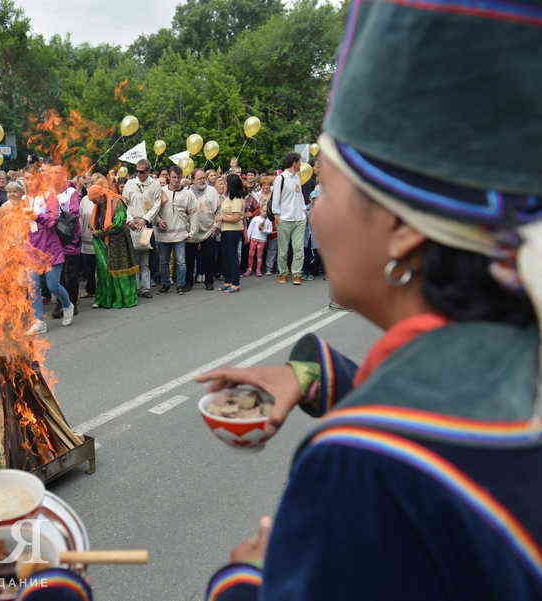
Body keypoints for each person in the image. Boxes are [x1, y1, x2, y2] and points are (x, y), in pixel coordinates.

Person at [196, 2, 542, 597]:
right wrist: (308, 374)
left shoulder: (364, 460)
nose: (316, 214)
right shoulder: (514, 347)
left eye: (325, 190)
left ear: (403, 228)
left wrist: (250, 574)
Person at [26, 192, 75, 335]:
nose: (29, 183)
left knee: (53, 286)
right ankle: (39, 321)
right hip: (32, 252)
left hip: (50, 249)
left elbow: (53, 220)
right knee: (33, 287)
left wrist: (37, 216)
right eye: (26, 180)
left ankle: (67, 305)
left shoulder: (49, 197)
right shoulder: (24, 200)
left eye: (30, 178)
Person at [89, 183, 139, 309]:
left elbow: (118, 224)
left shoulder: (117, 202)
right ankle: (108, 298)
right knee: (105, 270)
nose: (94, 203)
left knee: (119, 268)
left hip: (119, 242)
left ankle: (125, 298)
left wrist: (100, 233)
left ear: (100, 196)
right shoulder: (99, 204)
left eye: (95, 200)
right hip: (105, 241)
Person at [123, 159, 161, 298]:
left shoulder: (155, 184)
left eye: (142, 171)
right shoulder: (130, 183)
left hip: (145, 224)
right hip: (132, 224)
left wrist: (145, 219)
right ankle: (135, 286)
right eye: (137, 171)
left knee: (144, 257)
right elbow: (125, 203)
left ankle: (145, 287)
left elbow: (157, 205)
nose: (139, 174)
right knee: (133, 257)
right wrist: (129, 220)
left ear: (148, 171)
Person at [155, 164, 193, 294]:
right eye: (173, 177)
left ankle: (181, 284)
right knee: (163, 261)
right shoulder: (161, 192)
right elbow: (153, 210)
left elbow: (193, 213)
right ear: (169, 178)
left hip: (180, 234)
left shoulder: (187, 194)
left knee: (181, 261)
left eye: (178, 177)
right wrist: (159, 221)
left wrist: (191, 231)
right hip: (163, 234)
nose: (176, 180)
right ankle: (165, 284)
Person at [271, 152, 307, 285]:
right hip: (284, 218)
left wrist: (304, 211)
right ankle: (282, 273)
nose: (301, 164)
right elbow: (276, 199)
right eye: (299, 162)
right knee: (283, 249)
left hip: (299, 218)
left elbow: (300, 196)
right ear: (294, 162)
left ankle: (297, 273)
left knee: (298, 248)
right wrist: (276, 215)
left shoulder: (298, 178)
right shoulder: (280, 178)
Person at [185, 169, 220, 291]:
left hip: (208, 230)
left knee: (209, 258)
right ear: (192, 180)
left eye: (204, 178)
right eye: (199, 179)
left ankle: (209, 282)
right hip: (191, 232)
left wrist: (216, 226)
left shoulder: (212, 191)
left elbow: (218, 210)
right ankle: (189, 282)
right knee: (189, 259)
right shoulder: (187, 193)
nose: (202, 181)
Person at [52, 182, 82, 320]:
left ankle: (73, 302)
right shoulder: (50, 193)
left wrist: (58, 216)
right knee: (59, 274)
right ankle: (61, 303)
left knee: (71, 274)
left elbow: (74, 213)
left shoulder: (72, 193)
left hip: (70, 238)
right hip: (55, 239)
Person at [217, 176, 245, 293]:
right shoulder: (228, 198)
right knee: (226, 256)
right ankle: (227, 281)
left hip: (233, 231)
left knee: (232, 256)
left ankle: (235, 282)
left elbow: (236, 217)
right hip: (225, 230)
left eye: (226, 183)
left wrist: (222, 218)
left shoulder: (237, 200)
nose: (224, 185)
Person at [79, 181, 97, 298]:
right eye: (87, 185)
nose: (88, 187)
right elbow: (80, 217)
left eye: (91, 185)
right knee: (88, 267)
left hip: (98, 237)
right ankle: (90, 289)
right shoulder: (84, 200)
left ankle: (102, 290)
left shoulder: (100, 199)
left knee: (100, 267)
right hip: (85, 237)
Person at [243, 212, 272, 277]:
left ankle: (258, 269)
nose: (264, 213)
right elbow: (250, 228)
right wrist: (248, 237)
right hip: (254, 239)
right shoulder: (255, 218)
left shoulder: (268, 220)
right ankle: (249, 269)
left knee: (259, 255)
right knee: (251, 254)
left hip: (262, 240)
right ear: (260, 210)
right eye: (263, 210)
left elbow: (270, 230)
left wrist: (264, 230)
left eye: (266, 211)